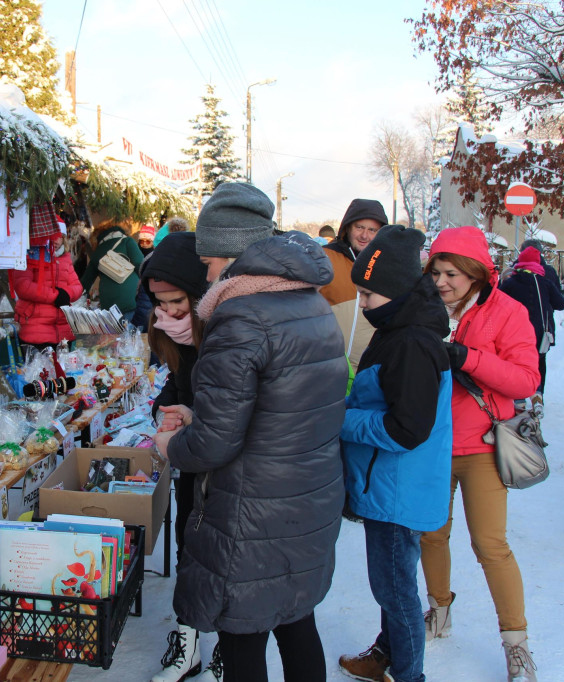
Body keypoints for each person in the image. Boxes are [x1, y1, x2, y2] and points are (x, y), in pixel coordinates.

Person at [153, 182, 346, 682]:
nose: (208, 277)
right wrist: (202, 418)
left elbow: (216, 443)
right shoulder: (311, 304)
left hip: (252, 511)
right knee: (297, 622)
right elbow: (280, 410)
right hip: (303, 501)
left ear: (236, 259)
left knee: (243, 636)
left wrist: (173, 443)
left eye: (212, 265)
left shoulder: (240, 316)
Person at [417, 225, 541, 682]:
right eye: (436, 272)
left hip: (483, 446)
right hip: (431, 445)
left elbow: (526, 380)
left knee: (490, 544)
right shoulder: (424, 311)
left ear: (476, 273)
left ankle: (516, 643)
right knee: (430, 536)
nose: (442, 282)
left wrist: (468, 357)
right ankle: (440, 612)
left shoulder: (507, 311)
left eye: (452, 273)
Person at [337, 226, 453, 682]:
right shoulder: (401, 329)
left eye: (368, 295)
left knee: (395, 589)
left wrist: (341, 420)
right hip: (389, 484)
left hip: (396, 490)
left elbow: (407, 430)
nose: (362, 305)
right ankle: (385, 655)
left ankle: (409, 676)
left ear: (397, 290)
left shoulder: (410, 343)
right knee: (392, 585)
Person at [141, 232, 211, 682]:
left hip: (223, 467)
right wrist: (164, 409)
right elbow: (179, 384)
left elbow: (227, 407)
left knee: (219, 558)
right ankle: (188, 642)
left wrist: (190, 416)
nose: (166, 313)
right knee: (188, 547)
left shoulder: (221, 334)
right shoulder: (175, 332)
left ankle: (225, 643)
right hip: (192, 461)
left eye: (176, 302)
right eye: (159, 303)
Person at [320, 199, 389, 371]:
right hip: (327, 365)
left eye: (372, 230)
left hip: (368, 369)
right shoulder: (324, 258)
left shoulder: (387, 265)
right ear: (347, 228)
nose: (365, 235)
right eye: (359, 227)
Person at [498, 246, 564, 416]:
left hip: (515, 332)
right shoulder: (544, 282)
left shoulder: (511, 283)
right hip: (539, 332)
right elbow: (561, 304)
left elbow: (496, 301)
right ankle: (538, 395)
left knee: (516, 362)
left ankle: (519, 398)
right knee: (539, 363)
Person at [9, 229, 83, 347]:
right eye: (51, 235)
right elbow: (23, 286)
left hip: (62, 329)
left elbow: (77, 286)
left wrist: (66, 294)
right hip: (36, 327)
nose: (55, 240)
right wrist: (55, 296)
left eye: (59, 236)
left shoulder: (65, 259)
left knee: (63, 365)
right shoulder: (29, 254)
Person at [80, 220, 145, 322]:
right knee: (132, 335)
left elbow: (85, 283)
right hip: (131, 301)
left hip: (109, 307)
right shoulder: (127, 242)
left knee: (114, 337)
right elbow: (142, 266)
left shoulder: (98, 251)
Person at [131, 225, 158, 332]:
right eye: (142, 241)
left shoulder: (153, 260)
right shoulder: (134, 255)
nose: (144, 244)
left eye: (148, 241)